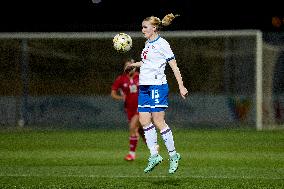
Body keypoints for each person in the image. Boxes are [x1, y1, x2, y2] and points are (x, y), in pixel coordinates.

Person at [125, 13, 188, 174]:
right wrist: (134, 65)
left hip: (157, 86)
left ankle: (173, 155)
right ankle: (154, 155)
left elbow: (174, 66)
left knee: (158, 121)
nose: (142, 30)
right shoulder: (147, 43)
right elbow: (147, 63)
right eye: (142, 27)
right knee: (144, 120)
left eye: (145, 27)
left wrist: (181, 86)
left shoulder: (163, 44)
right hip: (144, 86)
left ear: (154, 28)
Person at [111, 58, 146, 161]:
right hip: (129, 109)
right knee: (140, 131)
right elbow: (113, 93)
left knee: (132, 128)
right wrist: (121, 97)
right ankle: (153, 147)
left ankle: (131, 155)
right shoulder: (121, 79)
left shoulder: (141, 77)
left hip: (141, 107)